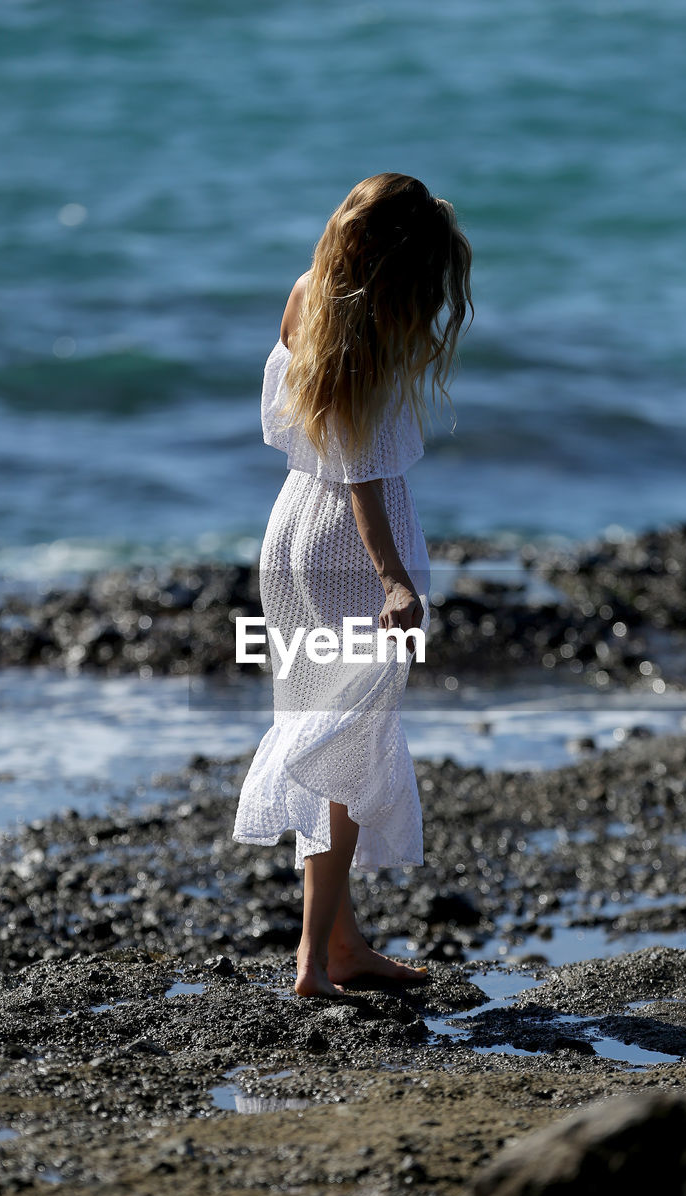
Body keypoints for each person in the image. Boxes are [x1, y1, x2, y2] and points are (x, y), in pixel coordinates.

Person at [232, 173, 473, 997]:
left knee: (324, 734)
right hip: (347, 540)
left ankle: (346, 945)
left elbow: (307, 429)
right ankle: (312, 961)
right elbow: (364, 474)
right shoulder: (367, 319)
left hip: (291, 529)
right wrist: (395, 580)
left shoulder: (308, 291)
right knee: (345, 747)